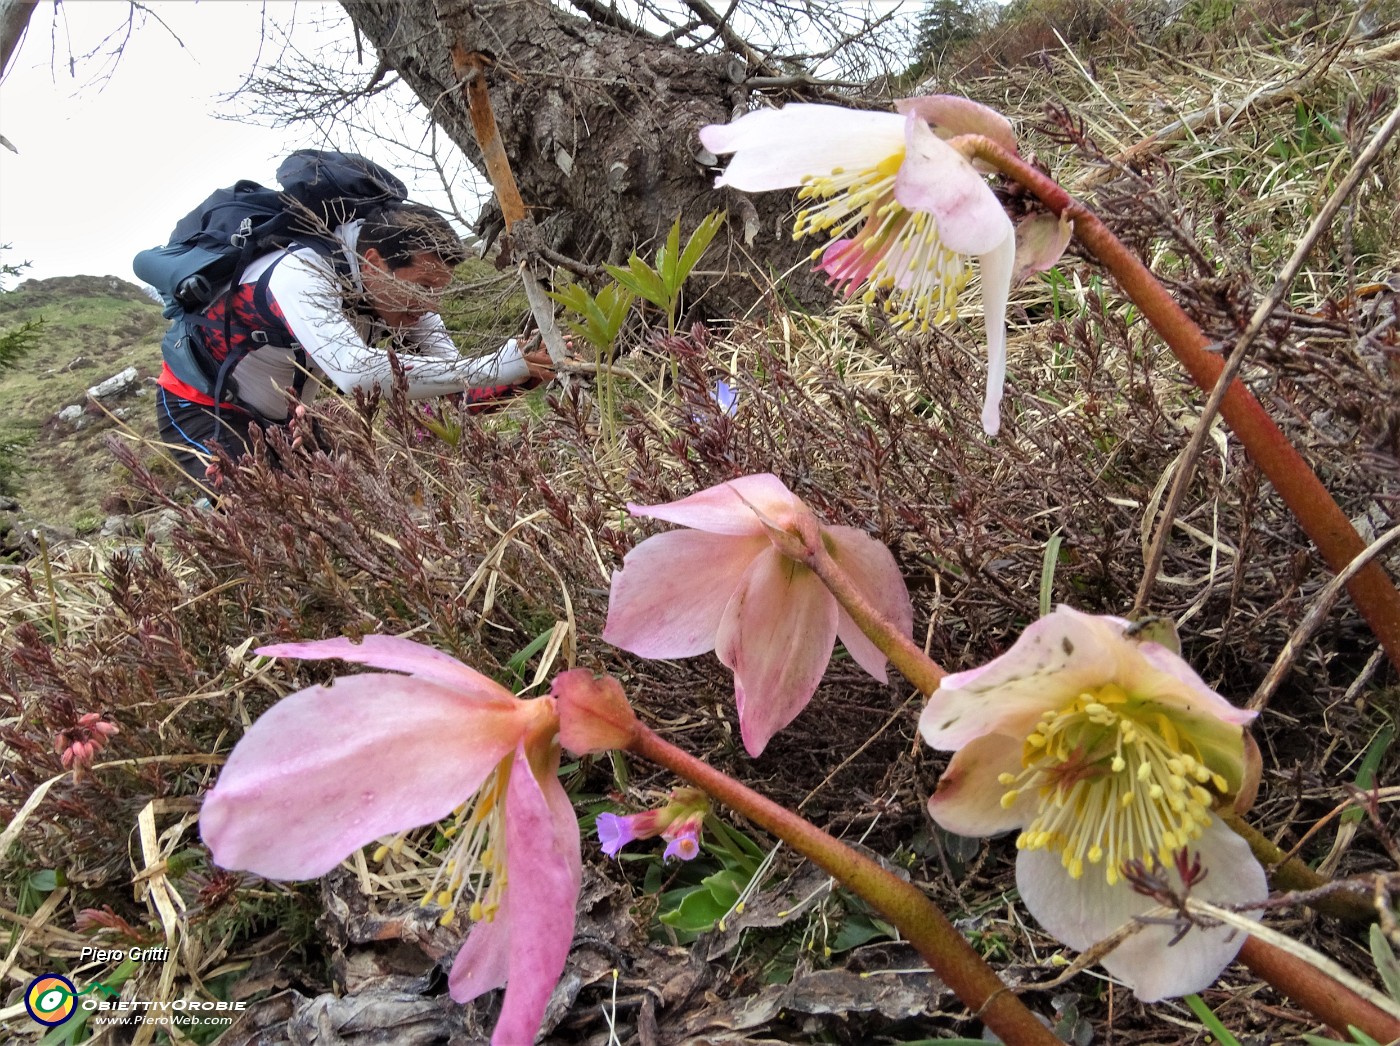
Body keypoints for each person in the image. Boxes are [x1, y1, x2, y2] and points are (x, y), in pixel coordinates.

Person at [155, 202, 554, 480]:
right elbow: (356, 374)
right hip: (200, 405)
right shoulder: (299, 274)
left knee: (339, 506)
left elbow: (460, 392)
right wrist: (496, 366)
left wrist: (523, 376)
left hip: (285, 416)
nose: (431, 304)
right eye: (424, 286)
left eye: (440, 290)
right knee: (262, 520)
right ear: (375, 262)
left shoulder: (402, 298)